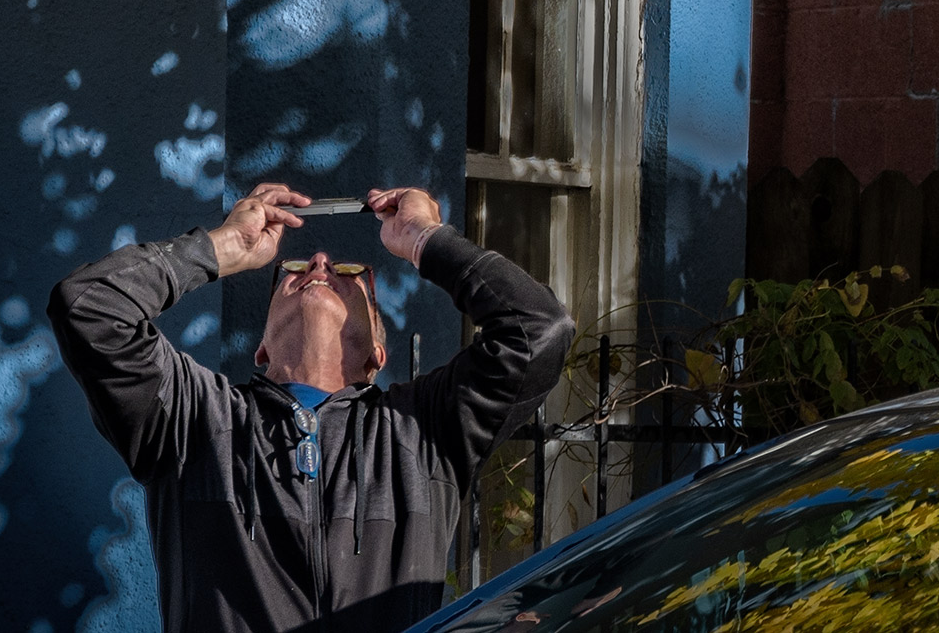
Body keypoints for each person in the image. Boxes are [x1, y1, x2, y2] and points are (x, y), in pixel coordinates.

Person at [47, 182, 575, 633]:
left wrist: (423, 240)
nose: (320, 263)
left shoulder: (425, 431)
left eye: (351, 272)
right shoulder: (195, 420)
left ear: (376, 354)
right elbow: (89, 308)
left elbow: (539, 330)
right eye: (295, 266)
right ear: (262, 352)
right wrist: (222, 246)